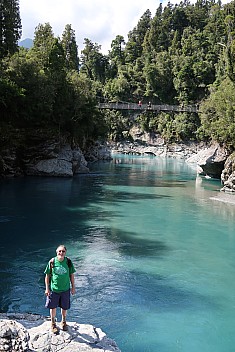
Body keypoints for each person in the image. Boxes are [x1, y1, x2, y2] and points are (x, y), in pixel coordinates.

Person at [44, 244, 76, 334]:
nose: (61, 253)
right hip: (54, 290)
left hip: (65, 289)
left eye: (63, 251)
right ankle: (53, 323)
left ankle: (63, 322)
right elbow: (47, 276)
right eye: (60, 251)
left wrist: (73, 287)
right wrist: (47, 288)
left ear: (65, 253)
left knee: (64, 307)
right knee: (53, 307)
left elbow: (72, 275)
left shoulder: (68, 262)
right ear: (56, 252)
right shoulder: (52, 262)